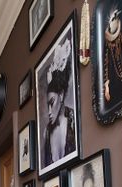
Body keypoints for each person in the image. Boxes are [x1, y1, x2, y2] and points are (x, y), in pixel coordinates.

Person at [44, 37, 75, 167]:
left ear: (61, 95)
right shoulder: (47, 131)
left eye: (52, 103)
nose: (49, 112)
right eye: (47, 106)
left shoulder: (74, 120)